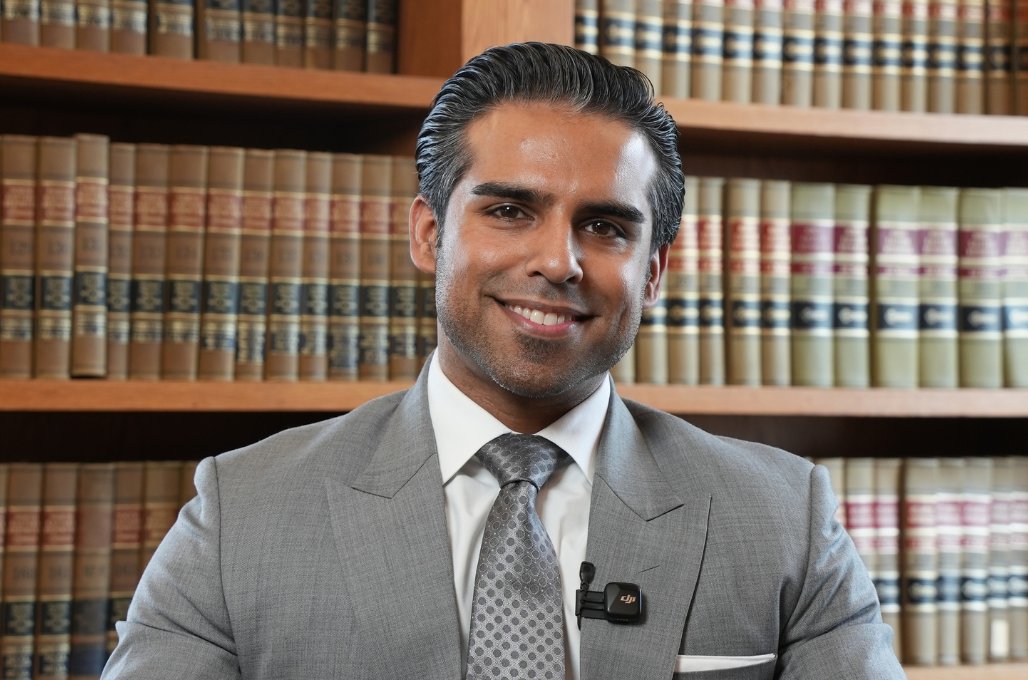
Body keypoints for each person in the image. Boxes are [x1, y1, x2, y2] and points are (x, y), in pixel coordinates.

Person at [103, 43, 905, 680]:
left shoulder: (784, 519)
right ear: (428, 234)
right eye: (510, 210)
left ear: (654, 271)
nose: (559, 261)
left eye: (606, 227)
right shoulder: (241, 514)